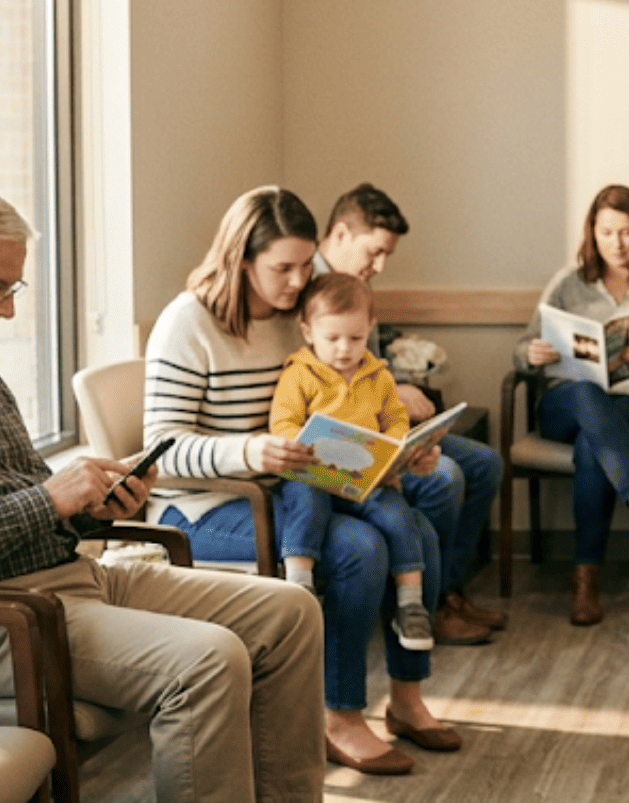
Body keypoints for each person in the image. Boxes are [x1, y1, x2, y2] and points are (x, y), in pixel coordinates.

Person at [0, 179, 326, 803]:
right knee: (207, 661)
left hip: (63, 585)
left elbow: (23, 507)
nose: (8, 310)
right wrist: (50, 500)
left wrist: (92, 507)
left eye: (12, 289)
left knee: (290, 613)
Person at [143, 186, 458, 776]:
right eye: (281, 268)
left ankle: (408, 698)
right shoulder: (188, 324)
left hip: (299, 487)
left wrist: (395, 454)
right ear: (241, 260)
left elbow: (337, 413)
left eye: (303, 263)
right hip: (204, 508)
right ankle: (336, 716)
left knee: (417, 528)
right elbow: (160, 451)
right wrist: (250, 450)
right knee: (357, 549)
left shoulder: (300, 319)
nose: (298, 280)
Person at [314, 182, 506, 643]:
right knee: (446, 476)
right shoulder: (314, 291)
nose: (378, 267)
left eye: (386, 257)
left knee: (485, 463)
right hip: (341, 439)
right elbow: (317, 389)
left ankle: (448, 589)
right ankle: (427, 605)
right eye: (374, 252)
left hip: (377, 422)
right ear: (340, 234)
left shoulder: (354, 287)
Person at [517, 184, 629, 626]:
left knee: (594, 446)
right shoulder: (568, 283)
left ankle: (585, 579)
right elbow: (521, 349)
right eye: (607, 232)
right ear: (592, 233)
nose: (617, 243)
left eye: (627, 232)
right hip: (565, 403)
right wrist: (530, 354)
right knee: (589, 395)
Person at [270, 272, 442, 652]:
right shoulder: (298, 375)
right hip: (313, 473)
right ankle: (300, 584)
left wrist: (398, 443)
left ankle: (410, 606)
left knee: (399, 515)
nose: (344, 349)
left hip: (366, 479)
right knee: (305, 500)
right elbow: (282, 422)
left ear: (370, 330)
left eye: (356, 338)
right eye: (332, 338)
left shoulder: (377, 376)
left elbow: (395, 417)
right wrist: (299, 441)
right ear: (307, 331)